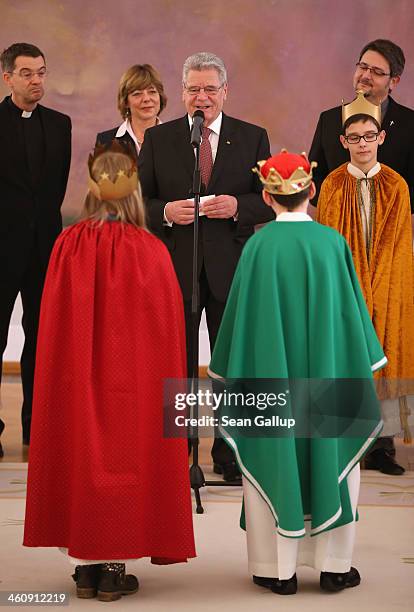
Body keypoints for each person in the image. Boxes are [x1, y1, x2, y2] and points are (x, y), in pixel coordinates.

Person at [23, 142, 196, 602]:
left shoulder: (67, 245)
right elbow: (167, 329)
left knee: (83, 448)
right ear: (134, 191)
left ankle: (86, 568)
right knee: (126, 454)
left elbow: (53, 323)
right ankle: (113, 566)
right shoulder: (151, 249)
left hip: (78, 379)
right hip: (133, 383)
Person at [208, 150, 386, 594]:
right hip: (329, 381)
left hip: (273, 389)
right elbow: (352, 324)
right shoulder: (333, 244)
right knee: (331, 448)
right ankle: (334, 565)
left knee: (271, 448)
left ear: (267, 199)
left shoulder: (257, 247)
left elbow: (239, 329)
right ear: (312, 191)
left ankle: (276, 569)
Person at [138, 51, 274, 481]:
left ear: (225, 92)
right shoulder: (158, 141)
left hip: (230, 270)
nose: (202, 97)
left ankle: (230, 455)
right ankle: (177, 453)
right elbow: (138, 201)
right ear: (181, 93)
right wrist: (165, 213)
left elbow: (268, 202)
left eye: (210, 89)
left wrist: (238, 206)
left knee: (232, 365)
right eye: (193, 89)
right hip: (172, 270)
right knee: (174, 365)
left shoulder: (252, 137)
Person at [316, 94, 414, 475]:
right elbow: (329, 240)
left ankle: (383, 445)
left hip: (388, 279)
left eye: (368, 136)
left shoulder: (397, 186)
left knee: (386, 351)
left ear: (380, 139)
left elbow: (399, 244)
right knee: (347, 356)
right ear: (343, 142)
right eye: (354, 137)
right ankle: (348, 438)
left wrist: (382, 285)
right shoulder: (332, 186)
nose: (362, 144)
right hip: (346, 283)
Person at [0, 43, 71, 452]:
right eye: (27, 73)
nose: (37, 80)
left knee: (41, 340)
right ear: (8, 77)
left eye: (41, 72)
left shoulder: (61, 124)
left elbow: (54, 191)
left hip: (45, 248)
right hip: (0, 248)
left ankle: (36, 429)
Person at [309, 39, 414, 208]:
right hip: (337, 229)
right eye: (363, 67)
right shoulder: (329, 120)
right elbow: (313, 178)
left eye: (377, 72)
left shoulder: (410, 124)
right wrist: (340, 205)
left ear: (394, 81)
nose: (365, 75)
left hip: (389, 229)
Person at [96, 64, 166, 159]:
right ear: (126, 102)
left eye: (152, 92)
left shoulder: (178, 140)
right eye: (137, 94)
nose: (146, 99)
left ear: (160, 97)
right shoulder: (105, 142)